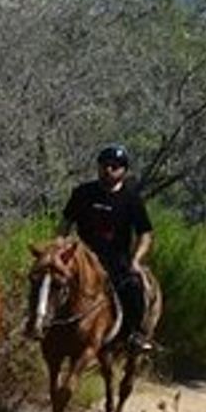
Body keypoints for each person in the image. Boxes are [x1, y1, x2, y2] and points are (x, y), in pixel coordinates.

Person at [59, 144, 154, 351]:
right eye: (104, 165)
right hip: (83, 258)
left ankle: (135, 334)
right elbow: (65, 223)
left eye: (115, 166)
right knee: (49, 279)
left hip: (116, 260)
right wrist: (59, 246)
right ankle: (39, 322)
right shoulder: (82, 193)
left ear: (124, 171)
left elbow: (145, 234)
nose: (108, 170)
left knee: (134, 286)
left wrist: (136, 260)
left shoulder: (132, 199)